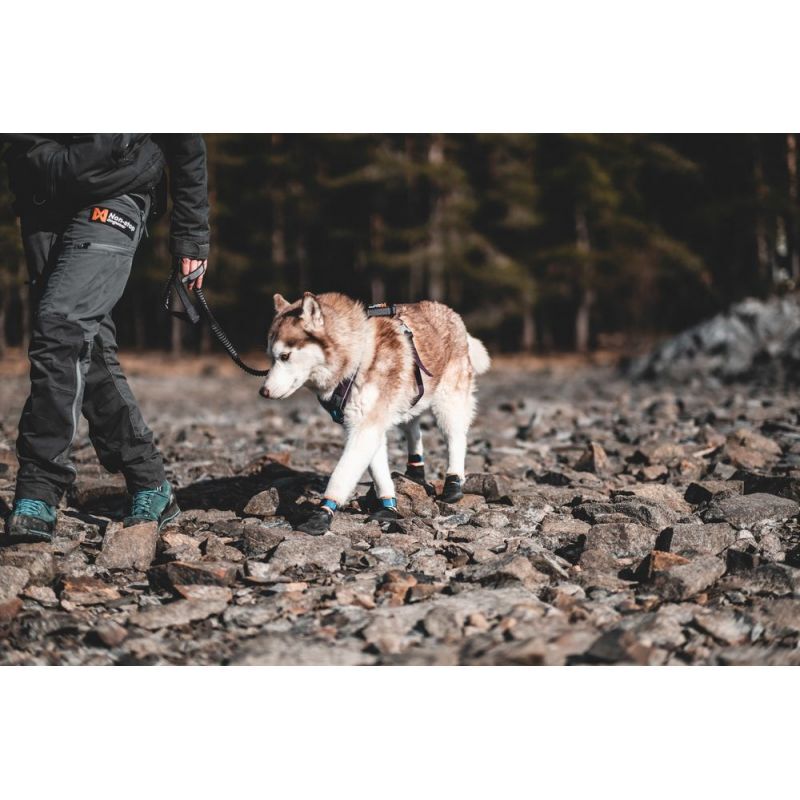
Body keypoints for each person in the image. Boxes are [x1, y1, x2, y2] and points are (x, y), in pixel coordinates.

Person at [0, 134, 210, 543]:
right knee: (84, 344)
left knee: (61, 326)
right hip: (41, 197)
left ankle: (40, 487)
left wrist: (191, 236)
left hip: (118, 191)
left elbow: (186, 143)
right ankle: (150, 482)